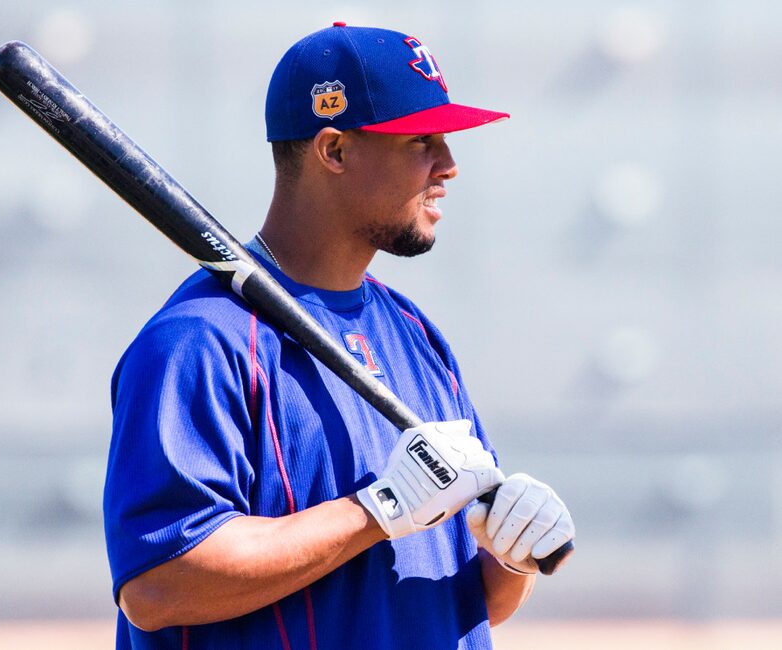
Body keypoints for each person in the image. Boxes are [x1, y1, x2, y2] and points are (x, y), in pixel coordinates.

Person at [103, 23, 575, 650]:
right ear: (334, 151)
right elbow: (159, 585)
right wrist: (375, 512)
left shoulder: (411, 333)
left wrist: (511, 556)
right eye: (419, 141)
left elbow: (467, 596)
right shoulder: (198, 342)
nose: (450, 165)